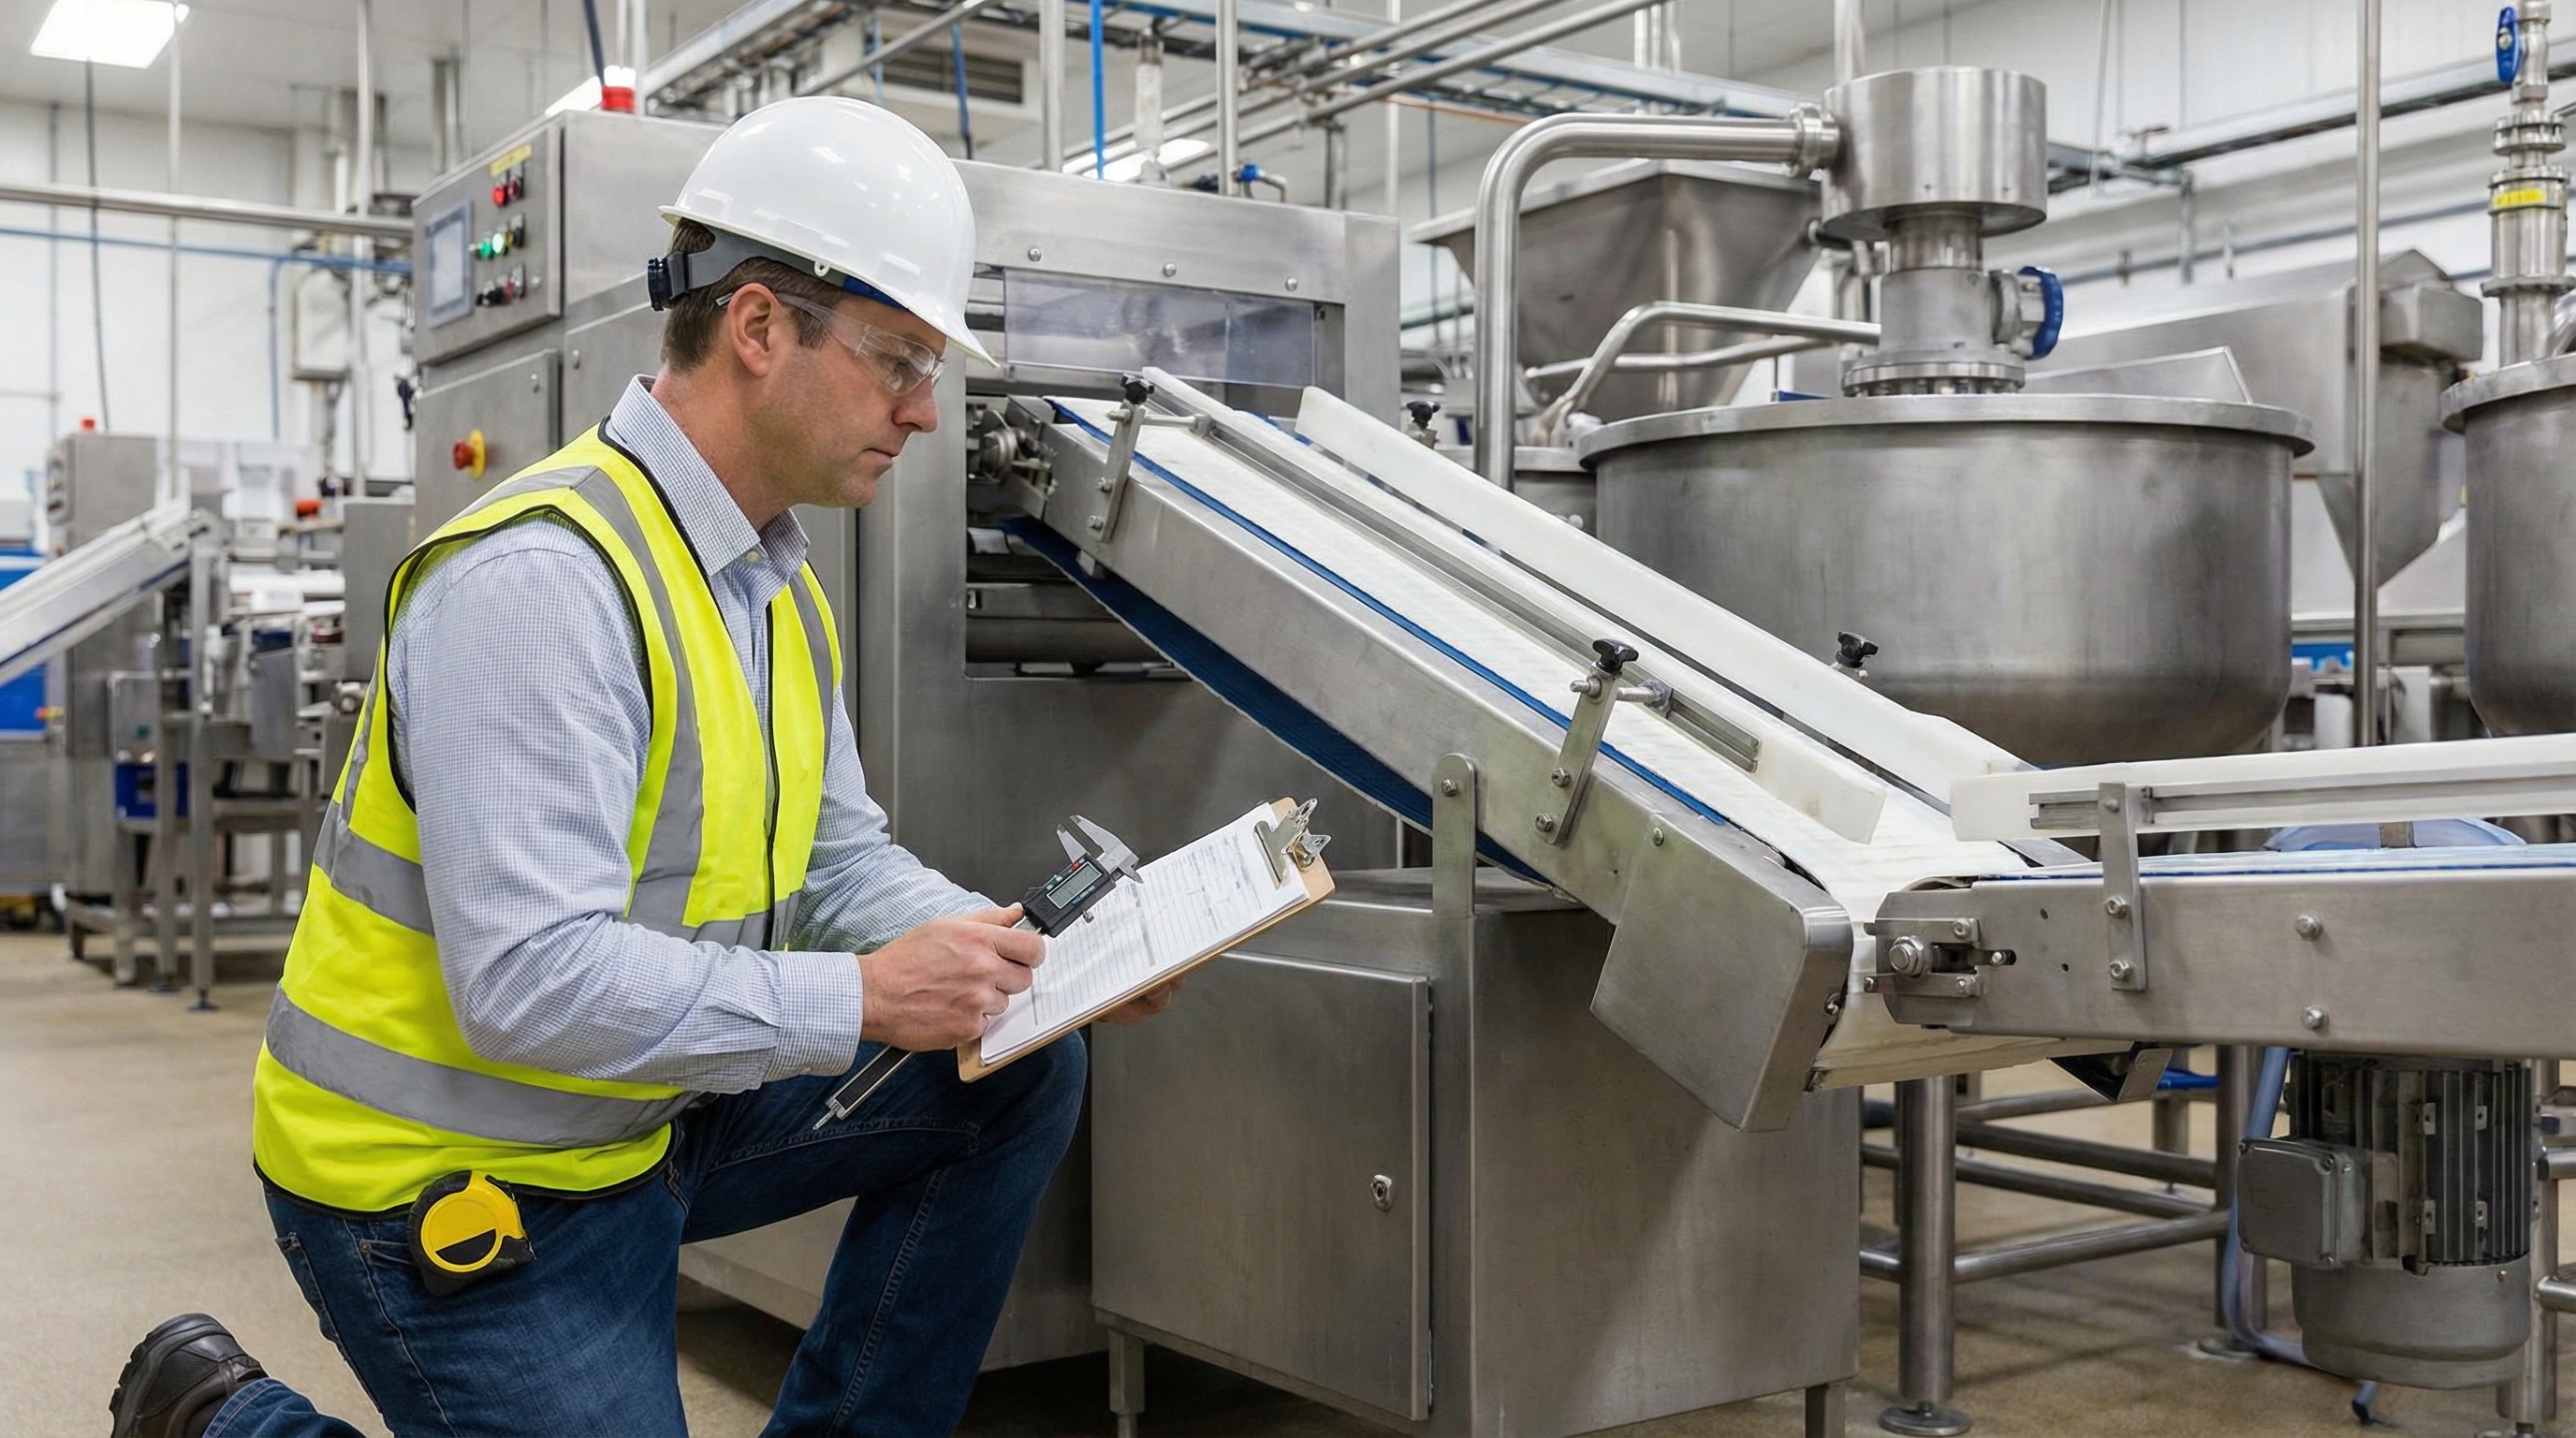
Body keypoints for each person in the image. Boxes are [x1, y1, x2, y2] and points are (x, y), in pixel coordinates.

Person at [109, 95, 1176, 1438]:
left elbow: (840, 860)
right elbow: (530, 986)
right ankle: (224, 1421)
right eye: (898, 359)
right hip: (439, 1167)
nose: (923, 411)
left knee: (1018, 1060)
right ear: (760, 327)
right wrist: (861, 998)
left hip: (632, 1118)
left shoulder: (771, 586)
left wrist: (1017, 963)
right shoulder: (545, 583)